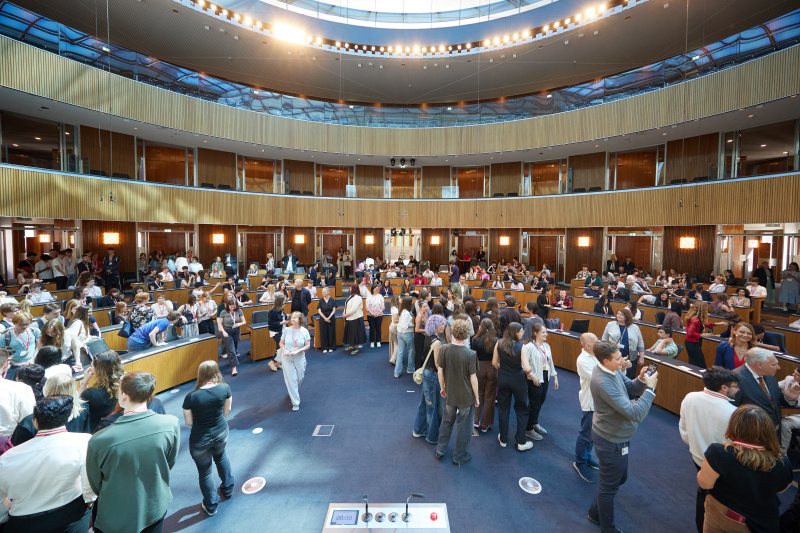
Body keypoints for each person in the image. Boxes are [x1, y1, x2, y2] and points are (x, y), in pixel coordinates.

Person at [87, 371, 180, 533]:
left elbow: (96, 485)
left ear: (124, 396)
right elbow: (169, 461)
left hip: (116, 517)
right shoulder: (171, 424)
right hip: (156, 507)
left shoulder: (99, 440)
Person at [587, 341, 657, 533]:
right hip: (611, 441)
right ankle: (607, 528)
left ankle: (595, 512)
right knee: (609, 487)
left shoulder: (612, 369)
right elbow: (636, 414)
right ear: (605, 360)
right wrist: (650, 390)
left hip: (618, 437)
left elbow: (631, 388)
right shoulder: (602, 381)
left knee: (617, 479)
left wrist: (642, 380)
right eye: (618, 359)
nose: (623, 361)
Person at [0, 395, 94, 532]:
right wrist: (90, 502)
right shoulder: (84, 442)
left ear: (35, 422)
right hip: (71, 516)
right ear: (67, 419)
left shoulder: (8, 458)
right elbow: (88, 487)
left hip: (24, 522)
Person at [697, 405, 792, 533]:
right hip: (762, 523)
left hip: (722, 515)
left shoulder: (719, 453)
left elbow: (705, 483)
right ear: (769, 430)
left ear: (734, 426)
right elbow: (781, 489)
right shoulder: (783, 463)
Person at [679, 366, 739, 532]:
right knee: (717, 498)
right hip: (722, 467)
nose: (738, 390)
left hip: (697, 458)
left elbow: (684, 431)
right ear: (724, 388)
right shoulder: (733, 412)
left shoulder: (690, 397)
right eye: (735, 386)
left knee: (705, 492)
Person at [182, 361, 234, 516]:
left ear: (200, 374)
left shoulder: (191, 397)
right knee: (221, 457)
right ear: (216, 372)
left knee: (205, 472)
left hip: (200, 440)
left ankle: (211, 506)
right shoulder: (225, 388)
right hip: (221, 433)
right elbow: (228, 409)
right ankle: (228, 489)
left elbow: (188, 422)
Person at [434, 319, 479, 466]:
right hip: (466, 396)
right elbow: (473, 379)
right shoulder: (470, 354)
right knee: (464, 426)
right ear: (466, 335)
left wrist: (443, 387)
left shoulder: (445, 349)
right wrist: (477, 397)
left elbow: (440, 371)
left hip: (450, 393)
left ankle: (440, 450)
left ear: (452, 332)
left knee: (447, 421)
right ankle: (459, 456)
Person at [733, 348, 800, 429]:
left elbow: (776, 400)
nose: (778, 367)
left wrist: (789, 399)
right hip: (753, 432)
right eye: (774, 365)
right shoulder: (736, 379)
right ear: (760, 365)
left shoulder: (770, 376)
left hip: (774, 430)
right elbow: (733, 410)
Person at [493, 322, 534, 451]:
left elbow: (494, 362)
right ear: (515, 332)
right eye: (521, 331)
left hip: (503, 378)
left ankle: (503, 439)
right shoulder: (522, 347)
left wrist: (503, 370)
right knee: (521, 409)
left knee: (503, 408)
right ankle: (521, 442)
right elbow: (527, 368)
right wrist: (530, 371)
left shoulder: (499, 343)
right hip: (518, 380)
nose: (522, 333)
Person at [574, 333, 605, 483]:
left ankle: (587, 458)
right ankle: (579, 462)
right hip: (590, 403)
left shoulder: (596, 356)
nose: (599, 343)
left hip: (599, 403)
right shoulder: (582, 360)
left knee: (594, 436)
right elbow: (598, 378)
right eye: (596, 341)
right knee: (585, 435)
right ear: (587, 346)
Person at [413, 314, 446, 445]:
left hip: (426, 373)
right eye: (441, 324)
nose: (443, 326)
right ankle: (432, 436)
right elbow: (438, 365)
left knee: (424, 404)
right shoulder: (437, 342)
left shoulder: (428, 337)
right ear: (435, 326)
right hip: (432, 375)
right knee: (433, 407)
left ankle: (419, 430)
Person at [524, 322, 558, 441]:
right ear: (535, 333)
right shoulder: (529, 347)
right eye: (543, 332)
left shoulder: (546, 346)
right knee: (534, 403)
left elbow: (550, 361)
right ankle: (528, 429)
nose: (546, 334)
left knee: (541, 400)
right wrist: (532, 375)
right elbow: (523, 365)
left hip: (545, 375)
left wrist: (554, 375)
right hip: (534, 377)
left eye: (546, 332)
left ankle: (534, 422)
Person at [78, 350, 125, 433]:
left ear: (98, 369)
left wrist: (85, 381)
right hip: (121, 427)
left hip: (98, 432)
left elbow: (77, 403)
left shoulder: (91, 394)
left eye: (92, 364)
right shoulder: (127, 385)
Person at [0, 347, 35, 436]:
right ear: (7, 364)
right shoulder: (22, 389)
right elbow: (29, 420)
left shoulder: (22, 389)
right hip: (9, 444)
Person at [601, 308, 645, 380]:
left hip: (631, 356)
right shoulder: (610, 324)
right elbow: (604, 340)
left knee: (629, 377)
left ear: (627, 316)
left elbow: (640, 342)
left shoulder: (635, 327)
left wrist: (642, 357)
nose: (618, 316)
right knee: (616, 376)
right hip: (614, 355)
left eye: (621, 315)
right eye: (618, 314)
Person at [280, 312, 310, 411]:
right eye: (292, 318)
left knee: (300, 377)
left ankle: (293, 390)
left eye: (295, 318)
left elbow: (307, 345)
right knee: (291, 379)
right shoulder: (287, 330)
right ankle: (295, 402)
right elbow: (281, 342)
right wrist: (284, 350)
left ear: (300, 320)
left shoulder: (304, 331)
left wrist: (298, 350)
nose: (292, 320)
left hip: (299, 356)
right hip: (287, 357)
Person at [684, 302, 722, 368]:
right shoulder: (695, 320)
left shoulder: (696, 318)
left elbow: (703, 324)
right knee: (700, 364)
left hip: (691, 343)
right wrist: (703, 335)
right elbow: (690, 332)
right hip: (692, 343)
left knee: (693, 362)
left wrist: (717, 324)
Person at [217, 298, 246, 377]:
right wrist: (223, 332)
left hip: (236, 330)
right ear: (227, 305)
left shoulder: (239, 311)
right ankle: (234, 367)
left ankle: (233, 358)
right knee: (231, 349)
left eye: (234, 307)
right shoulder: (223, 312)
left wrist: (239, 324)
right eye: (231, 307)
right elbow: (219, 324)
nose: (233, 308)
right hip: (227, 331)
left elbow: (244, 321)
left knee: (235, 347)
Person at [394, 297, 415, 377]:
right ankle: (410, 369)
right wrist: (413, 325)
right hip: (407, 334)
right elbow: (404, 326)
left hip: (400, 333)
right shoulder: (406, 313)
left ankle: (397, 372)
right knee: (411, 351)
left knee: (400, 353)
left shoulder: (402, 310)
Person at [267, 293, 288, 372]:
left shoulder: (280, 309)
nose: (285, 302)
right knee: (281, 347)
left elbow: (283, 316)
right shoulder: (273, 311)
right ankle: (272, 362)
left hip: (281, 330)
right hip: (275, 331)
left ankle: (277, 362)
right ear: (280, 301)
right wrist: (282, 323)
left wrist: (288, 316)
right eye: (284, 301)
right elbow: (271, 324)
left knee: (279, 347)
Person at [343, 284, 365, 355]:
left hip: (355, 318)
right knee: (350, 333)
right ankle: (352, 345)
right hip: (349, 318)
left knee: (355, 333)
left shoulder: (358, 298)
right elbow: (346, 305)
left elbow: (354, 309)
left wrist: (346, 314)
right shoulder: (351, 296)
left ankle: (356, 347)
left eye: (350, 288)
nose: (349, 289)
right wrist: (344, 312)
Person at [318, 287, 337, 353]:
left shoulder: (332, 300)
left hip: (331, 318)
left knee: (331, 332)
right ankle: (324, 348)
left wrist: (328, 318)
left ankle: (331, 347)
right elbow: (319, 311)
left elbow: (334, 310)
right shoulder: (321, 300)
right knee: (323, 333)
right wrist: (325, 318)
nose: (322, 293)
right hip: (323, 319)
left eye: (324, 292)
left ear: (328, 292)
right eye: (322, 292)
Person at [388, 295, 400, 365]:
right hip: (395, 327)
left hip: (392, 326)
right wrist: (402, 320)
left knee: (395, 344)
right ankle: (393, 359)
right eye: (399, 299)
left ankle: (394, 358)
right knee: (398, 344)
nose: (401, 299)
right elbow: (396, 320)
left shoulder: (393, 308)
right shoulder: (395, 309)